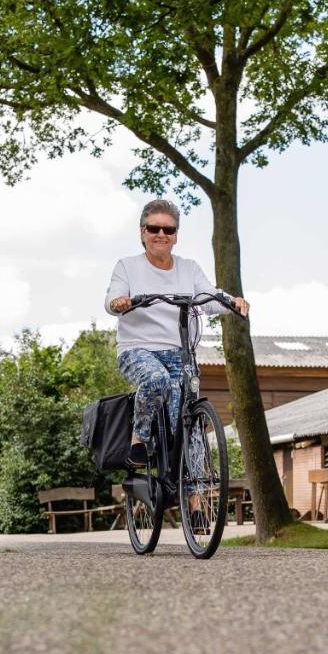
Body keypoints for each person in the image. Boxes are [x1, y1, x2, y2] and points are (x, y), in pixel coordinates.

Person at [106, 199, 249, 472]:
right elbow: (112, 298)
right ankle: (140, 438)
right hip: (138, 350)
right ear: (142, 233)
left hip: (180, 351)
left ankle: (194, 500)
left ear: (175, 237)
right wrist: (119, 302)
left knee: (187, 420)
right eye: (154, 228)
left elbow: (210, 296)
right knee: (156, 379)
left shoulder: (189, 269)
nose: (161, 235)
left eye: (168, 230)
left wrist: (234, 302)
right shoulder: (127, 266)